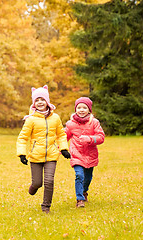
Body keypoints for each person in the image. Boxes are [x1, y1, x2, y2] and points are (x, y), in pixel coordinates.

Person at [16, 85, 71, 214]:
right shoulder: (31, 120)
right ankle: (33, 188)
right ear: (34, 103)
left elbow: (61, 134)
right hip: (35, 156)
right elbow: (23, 137)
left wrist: (63, 148)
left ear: (47, 101)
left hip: (51, 155)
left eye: (42, 99)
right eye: (37, 100)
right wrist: (22, 154)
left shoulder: (55, 118)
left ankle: (46, 206)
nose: (40, 102)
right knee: (38, 183)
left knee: (49, 181)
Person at [64, 97, 105, 208]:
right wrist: (61, 149)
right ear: (75, 109)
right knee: (79, 175)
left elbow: (101, 137)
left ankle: (84, 191)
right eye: (79, 107)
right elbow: (63, 138)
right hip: (76, 154)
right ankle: (79, 199)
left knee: (87, 178)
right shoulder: (70, 124)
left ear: (89, 110)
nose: (81, 110)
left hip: (91, 155)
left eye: (84, 108)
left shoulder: (94, 123)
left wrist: (90, 139)